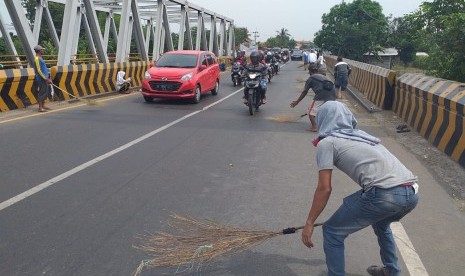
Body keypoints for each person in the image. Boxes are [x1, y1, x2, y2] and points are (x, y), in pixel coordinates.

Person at [301, 101, 419, 276]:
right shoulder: (363, 137)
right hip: (411, 193)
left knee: (332, 231)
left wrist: (309, 223)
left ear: (323, 119)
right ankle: (391, 271)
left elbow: (324, 188)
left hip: (385, 195)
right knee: (381, 224)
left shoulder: (328, 143)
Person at [290, 67, 336, 132]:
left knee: (311, 112)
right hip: (333, 94)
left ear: (310, 71)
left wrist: (297, 101)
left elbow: (305, 92)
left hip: (322, 95)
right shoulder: (322, 76)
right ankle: (326, 125)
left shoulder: (311, 78)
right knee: (324, 109)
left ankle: (314, 127)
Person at [33, 45, 51, 112]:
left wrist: (48, 77)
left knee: (45, 91)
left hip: (45, 78)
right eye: (42, 49)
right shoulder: (37, 58)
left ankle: (43, 105)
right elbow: (39, 70)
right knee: (42, 92)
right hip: (41, 79)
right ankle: (40, 108)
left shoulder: (41, 58)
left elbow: (44, 69)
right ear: (39, 51)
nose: (43, 50)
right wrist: (45, 78)